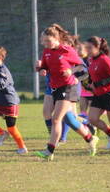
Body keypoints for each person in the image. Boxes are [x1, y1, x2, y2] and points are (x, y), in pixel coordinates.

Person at [35, 25, 99, 161]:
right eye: (44, 41)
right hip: (54, 87)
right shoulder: (47, 51)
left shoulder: (67, 50)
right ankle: (90, 138)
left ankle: (49, 150)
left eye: (48, 41)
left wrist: (71, 71)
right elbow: (45, 66)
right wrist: (41, 69)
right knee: (69, 119)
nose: (45, 44)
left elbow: (82, 67)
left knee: (56, 119)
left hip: (69, 87)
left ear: (56, 38)